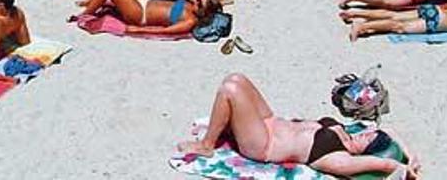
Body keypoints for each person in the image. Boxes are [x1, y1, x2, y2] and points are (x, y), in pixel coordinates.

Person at [179, 74, 419, 178]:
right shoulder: (348, 132)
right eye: (367, 134)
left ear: (366, 152)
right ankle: (223, 128)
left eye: (366, 140)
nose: (363, 134)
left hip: (264, 144)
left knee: (229, 90)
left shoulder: (337, 158)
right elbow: (390, 130)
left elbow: (384, 163)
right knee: (236, 79)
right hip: (270, 120)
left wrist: (401, 167)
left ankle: (207, 145)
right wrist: (411, 154)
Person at [78, 0, 220, 36]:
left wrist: (137, 29)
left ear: (204, 13)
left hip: (140, 14)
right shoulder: (192, 6)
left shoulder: (190, 20)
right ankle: (93, 1)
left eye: (200, 2)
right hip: (143, 0)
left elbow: (165, 31)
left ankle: (85, 14)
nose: (197, 0)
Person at [342, 0, 447, 41]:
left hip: (437, 10)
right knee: (399, 26)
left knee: (395, 16)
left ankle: (356, 13)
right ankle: (362, 26)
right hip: (441, 21)